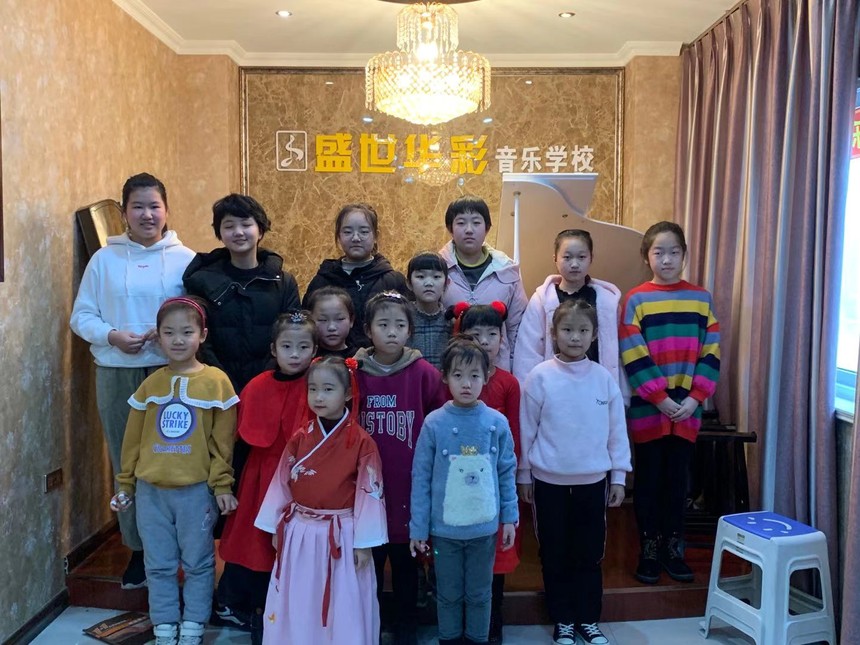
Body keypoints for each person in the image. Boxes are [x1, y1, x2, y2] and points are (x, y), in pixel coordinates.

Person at [71, 172, 195, 589]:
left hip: (171, 372)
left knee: (174, 457)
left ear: (166, 210)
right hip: (116, 372)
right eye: (137, 206)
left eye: (154, 206)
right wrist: (112, 336)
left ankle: (176, 548)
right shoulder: (104, 260)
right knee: (127, 463)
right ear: (124, 212)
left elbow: (197, 315)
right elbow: (81, 316)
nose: (147, 214)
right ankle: (138, 550)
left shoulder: (185, 260)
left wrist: (170, 336)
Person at [110, 297, 239, 645]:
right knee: (158, 564)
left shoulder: (217, 382)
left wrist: (222, 485)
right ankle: (165, 626)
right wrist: (125, 485)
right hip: (150, 492)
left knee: (198, 562)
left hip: (195, 492)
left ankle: (194, 624)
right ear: (158, 337)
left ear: (202, 335)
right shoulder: (150, 385)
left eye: (186, 332)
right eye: (169, 333)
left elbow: (222, 443)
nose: (178, 340)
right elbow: (132, 441)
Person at [183, 193, 300, 544]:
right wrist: (224, 382)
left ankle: (264, 548)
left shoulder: (282, 281)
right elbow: (199, 335)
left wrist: (262, 382)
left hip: (271, 389)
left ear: (260, 230)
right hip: (217, 390)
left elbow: (290, 335)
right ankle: (225, 555)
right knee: (222, 469)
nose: (238, 232)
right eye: (228, 225)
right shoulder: (202, 280)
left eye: (246, 224)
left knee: (265, 471)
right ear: (219, 232)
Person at [519, 299, 631, 645]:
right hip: (548, 482)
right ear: (553, 333)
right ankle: (563, 620)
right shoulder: (540, 377)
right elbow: (527, 429)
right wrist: (524, 474)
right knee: (554, 552)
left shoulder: (603, 379)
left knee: (589, 553)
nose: (575, 337)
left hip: (593, 482)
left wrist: (618, 475)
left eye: (583, 330)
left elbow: (617, 431)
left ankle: (588, 619)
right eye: (567, 330)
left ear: (594, 335)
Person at [254, 356, 388, 644]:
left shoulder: (362, 442)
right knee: (299, 598)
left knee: (344, 600)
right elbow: (282, 483)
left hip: (342, 534)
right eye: (313, 389)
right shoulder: (300, 437)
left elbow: (369, 494)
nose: (318, 397)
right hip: (299, 531)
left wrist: (364, 544)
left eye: (328, 389)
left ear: (348, 393)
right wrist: (276, 526)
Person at [619, 221, 720, 586]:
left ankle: (673, 549)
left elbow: (711, 351)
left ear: (684, 255)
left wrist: (695, 398)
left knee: (679, 482)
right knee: (648, 481)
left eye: (674, 252)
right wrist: (659, 397)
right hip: (649, 408)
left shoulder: (701, 298)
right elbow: (632, 352)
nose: (666, 259)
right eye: (658, 252)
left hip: (688, 409)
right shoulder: (636, 299)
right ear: (646, 257)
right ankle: (648, 549)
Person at [410, 336, 518, 645]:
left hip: (484, 530)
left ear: (486, 377)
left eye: (474, 375)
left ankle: (477, 639)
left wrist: (509, 518)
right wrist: (419, 528)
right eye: (458, 375)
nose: (466, 383)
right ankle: (449, 639)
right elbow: (421, 477)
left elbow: (506, 471)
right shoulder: (434, 423)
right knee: (448, 593)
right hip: (444, 531)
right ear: (445, 377)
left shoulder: (497, 422)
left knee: (480, 593)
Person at [216, 311, 317, 643]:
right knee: (255, 542)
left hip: (303, 478)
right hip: (260, 477)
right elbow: (238, 440)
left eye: (303, 347)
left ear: (314, 349)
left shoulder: (319, 383)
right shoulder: (257, 386)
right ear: (273, 348)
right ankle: (249, 608)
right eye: (287, 346)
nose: (295, 354)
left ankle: (292, 611)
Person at [355, 291, 447, 645]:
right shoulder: (354, 373)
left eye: (399, 325)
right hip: (366, 489)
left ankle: (408, 627)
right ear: (368, 330)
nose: (391, 332)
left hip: (409, 485)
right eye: (383, 325)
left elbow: (439, 420)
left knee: (407, 562)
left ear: (410, 330)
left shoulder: (423, 373)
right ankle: (371, 626)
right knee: (370, 562)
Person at [458, 303, 522, 644]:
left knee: (494, 559)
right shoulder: (453, 382)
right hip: (457, 486)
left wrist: (514, 480)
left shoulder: (508, 383)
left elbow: (514, 440)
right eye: (475, 335)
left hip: (493, 488)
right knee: (460, 556)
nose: (484, 342)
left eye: (492, 334)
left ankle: (492, 627)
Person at [513, 229, 622, 385]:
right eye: (567, 257)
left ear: (591, 258)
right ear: (555, 259)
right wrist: (530, 389)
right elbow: (528, 351)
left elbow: (618, 351)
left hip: (597, 385)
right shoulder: (541, 300)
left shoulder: (607, 301)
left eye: (581, 257)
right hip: (554, 385)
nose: (575, 264)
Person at [439, 196, 528, 371]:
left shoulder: (507, 270)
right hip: (452, 371)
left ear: (487, 228)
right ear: (450, 228)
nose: (469, 230)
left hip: (497, 370)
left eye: (476, 222)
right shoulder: (436, 269)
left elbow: (516, 329)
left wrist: (514, 372)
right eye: (461, 223)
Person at [303, 203, 410, 348]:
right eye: (347, 232)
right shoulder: (322, 281)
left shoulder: (393, 280)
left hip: (381, 359)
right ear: (339, 236)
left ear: (375, 236)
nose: (356, 238)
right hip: (331, 358)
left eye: (364, 232)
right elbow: (306, 329)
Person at [406, 251, 452, 370]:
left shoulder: (451, 321)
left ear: (446, 284)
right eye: (420, 277)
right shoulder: (402, 319)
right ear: (409, 283)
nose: (429, 283)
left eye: (436, 277)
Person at [307, 286, 358, 359]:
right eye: (323, 320)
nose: (332, 327)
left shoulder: (360, 358)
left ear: (351, 320)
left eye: (340, 319)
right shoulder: (306, 358)